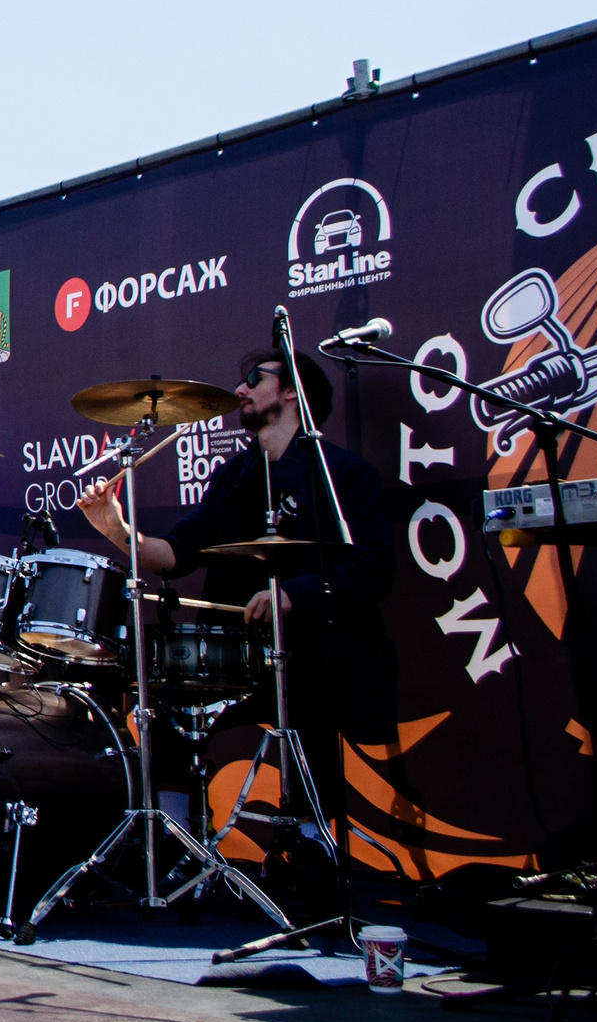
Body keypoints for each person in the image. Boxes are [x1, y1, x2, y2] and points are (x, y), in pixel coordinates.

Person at [75, 345, 398, 821]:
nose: (240, 389)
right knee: (161, 708)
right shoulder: (234, 478)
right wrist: (117, 530)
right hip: (239, 656)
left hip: (320, 655)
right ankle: (177, 839)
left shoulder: (344, 475)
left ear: (291, 391)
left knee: (309, 701)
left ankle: (311, 845)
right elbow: (173, 554)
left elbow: (375, 568)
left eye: (255, 379)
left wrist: (293, 595)